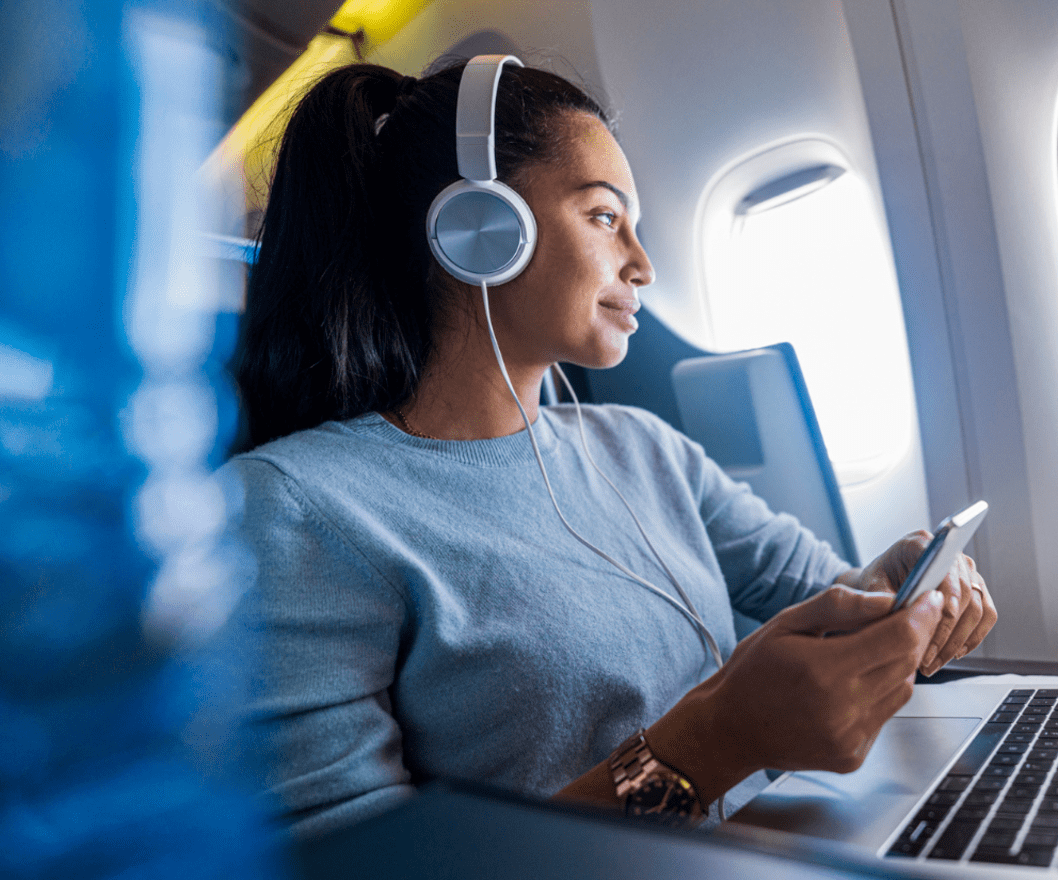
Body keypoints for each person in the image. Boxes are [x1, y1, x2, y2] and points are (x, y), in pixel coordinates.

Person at [223, 57, 997, 836]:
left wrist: (895, 596)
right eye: (603, 216)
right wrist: (715, 743)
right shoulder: (295, 509)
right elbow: (357, 863)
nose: (643, 264)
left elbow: (818, 589)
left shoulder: (644, 447)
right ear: (479, 229)